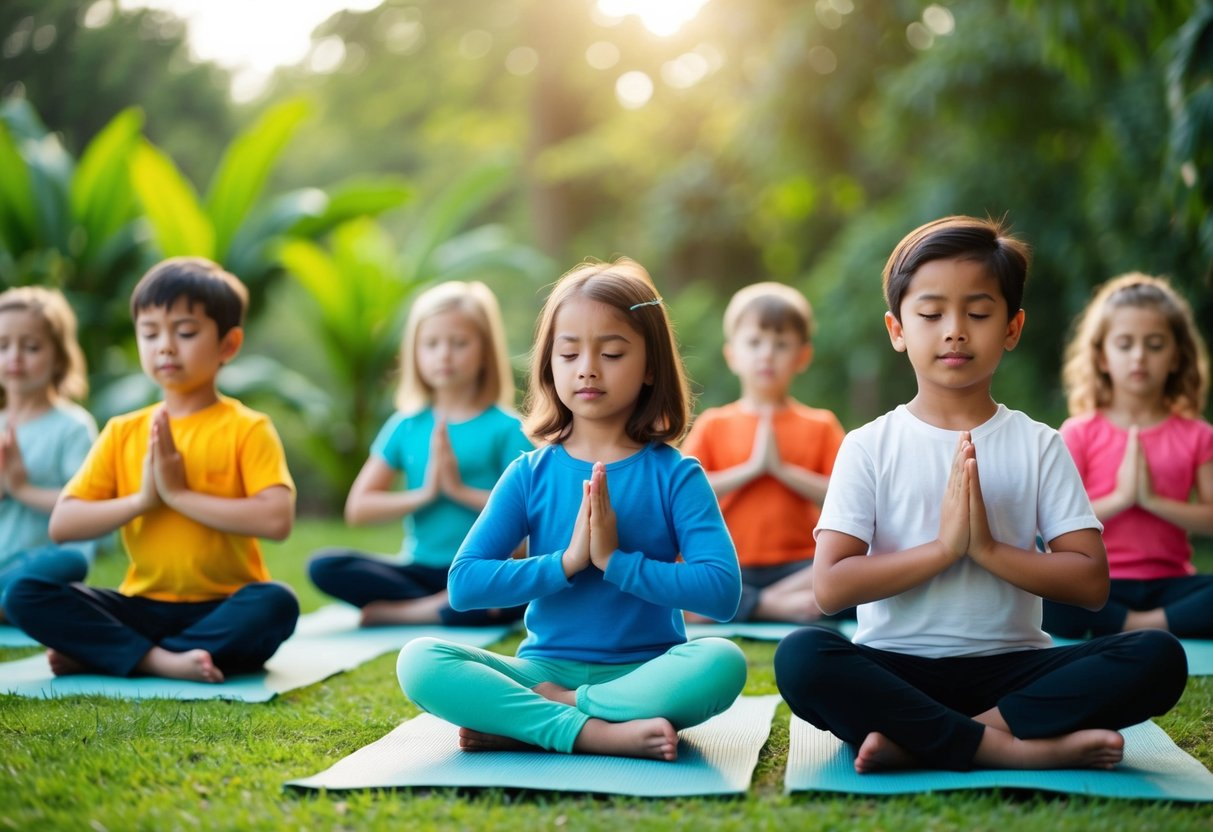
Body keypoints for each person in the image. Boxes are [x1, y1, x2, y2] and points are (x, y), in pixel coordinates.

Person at [774, 216, 1186, 774]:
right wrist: (944, 549)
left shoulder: (1040, 444)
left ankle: (934, 739)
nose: (955, 330)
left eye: (978, 313)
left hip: (1013, 670)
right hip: (898, 670)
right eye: (931, 313)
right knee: (803, 657)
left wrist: (987, 549)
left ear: (1012, 328)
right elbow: (829, 587)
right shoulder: (868, 445)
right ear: (897, 329)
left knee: (1157, 657)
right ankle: (1007, 748)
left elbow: (1090, 585)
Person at [396, 258, 747, 761]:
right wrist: (567, 563)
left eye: (611, 352)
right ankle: (597, 733)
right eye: (569, 352)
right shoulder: (527, 473)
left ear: (650, 367)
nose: (587, 367)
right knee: (420, 660)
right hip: (543, 671)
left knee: (722, 660)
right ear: (550, 365)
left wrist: (615, 562)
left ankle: (545, 719)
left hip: (647, 674)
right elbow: (465, 584)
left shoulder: (677, 475)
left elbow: (721, 594)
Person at [4, 257, 298, 683]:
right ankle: (161, 660)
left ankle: (113, 654)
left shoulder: (247, 428)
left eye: (185, 332)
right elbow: (64, 525)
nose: (165, 346)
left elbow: (276, 519)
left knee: (276, 604)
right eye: (150, 333)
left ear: (228, 346)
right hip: (138, 607)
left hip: (224, 603)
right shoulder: (123, 431)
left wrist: (179, 495)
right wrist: (144, 500)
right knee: (25, 594)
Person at [308, 281, 532, 626]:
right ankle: (443, 606)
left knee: (523, 588)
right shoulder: (406, 426)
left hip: (481, 567)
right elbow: (358, 509)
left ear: (485, 351)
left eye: (459, 343)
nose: (444, 354)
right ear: (415, 352)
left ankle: (410, 612)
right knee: (325, 566)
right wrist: (425, 494)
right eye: (431, 344)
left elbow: (531, 517)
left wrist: (458, 490)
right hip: (419, 570)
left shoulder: (506, 429)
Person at [1043, 273, 1213, 638]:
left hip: (1170, 586)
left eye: (1154, 345)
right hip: (1099, 583)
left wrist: (1151, 500)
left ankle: (1137, 626)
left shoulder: (1198, 434)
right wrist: (1122, 499)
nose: (1139, 356)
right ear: (1102, 357)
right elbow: (1049, 523)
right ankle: (1145, 626)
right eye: (1125, 344)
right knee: (1038, 591)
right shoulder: (1078, 432)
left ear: (1176, 357)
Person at [682, 282, 845, 623]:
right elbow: (684, 495)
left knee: (850, 576)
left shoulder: (821, 425)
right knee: (675, 590)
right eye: (755, 343)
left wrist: (783, 470)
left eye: (781, 344)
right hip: (729, 560)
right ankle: (770, 604)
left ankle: (750, 603)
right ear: (732, 355)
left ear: (802, 356)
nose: (767, 354)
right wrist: (753, 468)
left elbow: (846, 498)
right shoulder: (714, 424)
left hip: (802, 564)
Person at [0, 287, 99, 620]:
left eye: (30, 347)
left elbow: (87, 508)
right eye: (3, 346)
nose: (14, 357)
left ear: (58, 356)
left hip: (43, 561)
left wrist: (21, 489)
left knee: (67, 562)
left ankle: (13, 602)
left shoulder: (72, 427)